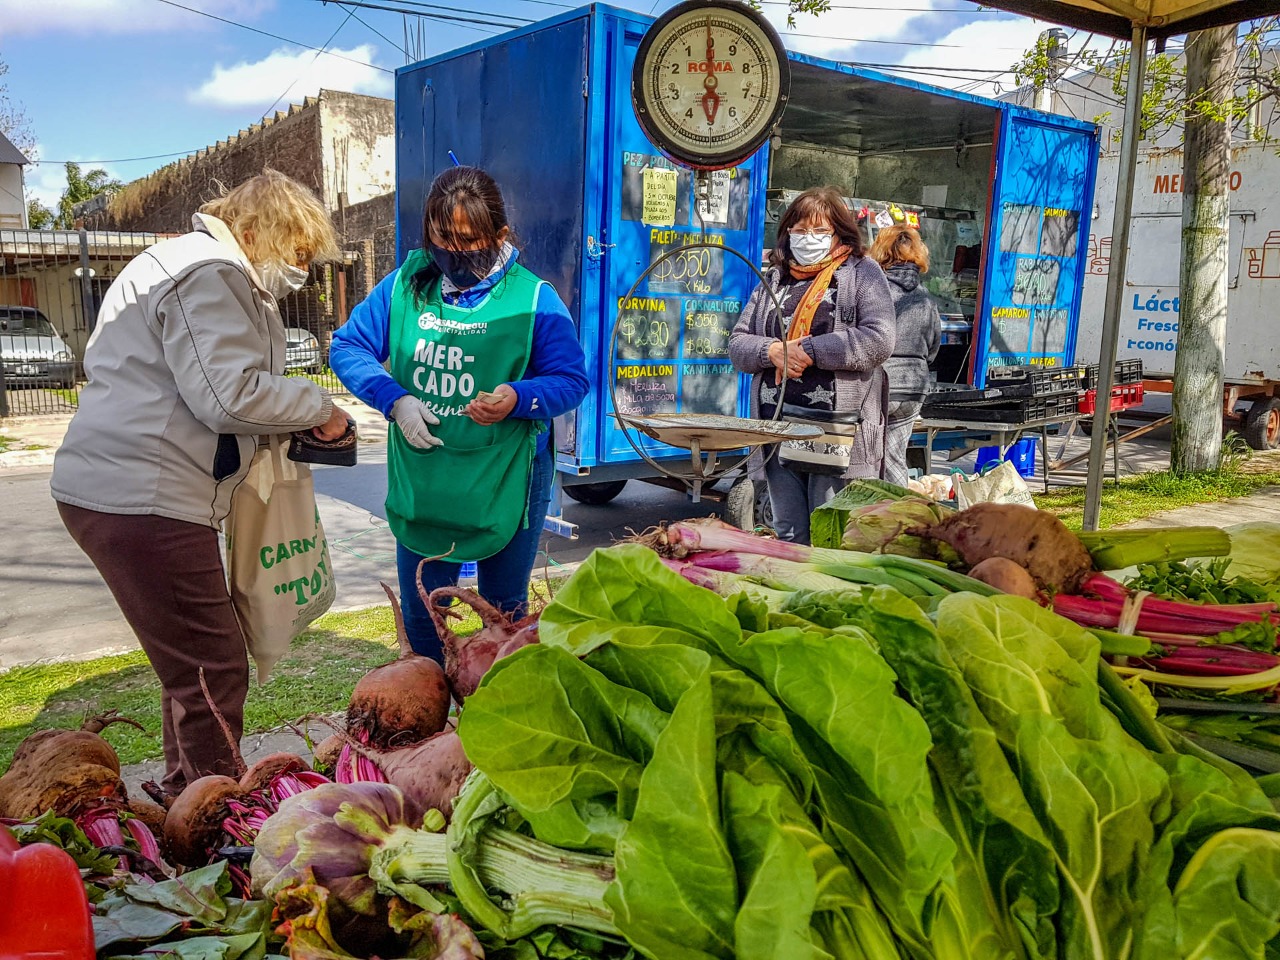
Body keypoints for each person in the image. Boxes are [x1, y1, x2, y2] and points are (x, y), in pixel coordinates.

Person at [50, 170, 352, 798]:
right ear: (263, 229)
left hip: (128, 490)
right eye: (297, 251)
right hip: (142, 494)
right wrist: (318, 407)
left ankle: (181, 793)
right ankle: (218, 814)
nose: (300, 267)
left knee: (191, 668)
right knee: (214, 668)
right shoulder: (211, 271)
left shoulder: (182, 262)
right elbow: (226, 394)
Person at [330, 166, 588, 662]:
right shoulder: (405, 286)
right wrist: (394, 398)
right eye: (441, 238)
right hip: (425, 482)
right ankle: (428, 716)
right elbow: (348, 346)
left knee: (503, 616)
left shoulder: (534, 299)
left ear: (500, 236)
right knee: (423, 616)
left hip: (506, 478)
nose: (453, 251)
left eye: (468, 240)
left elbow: (571, 381)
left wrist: (517, 398)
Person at [729, 186, 896, 544]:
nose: (809, 239)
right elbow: (738, 342)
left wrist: (810, 350)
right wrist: (771, 351)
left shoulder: (862, 273)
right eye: (801, 230)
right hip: (778, 425)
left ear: (839, 233)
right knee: (788, 530)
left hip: (834, 430)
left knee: (831, 532)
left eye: (820, 231)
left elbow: (879, 338)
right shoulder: (775, 277)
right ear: (787, 231)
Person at [870, 225, 941, 488]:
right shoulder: (925, 298)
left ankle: (872, 514)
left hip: (881, 382)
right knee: (895, 456)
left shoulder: (874, 291)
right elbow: (934, 347)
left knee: (867, 457)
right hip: (914, 385)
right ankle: (897, 515)